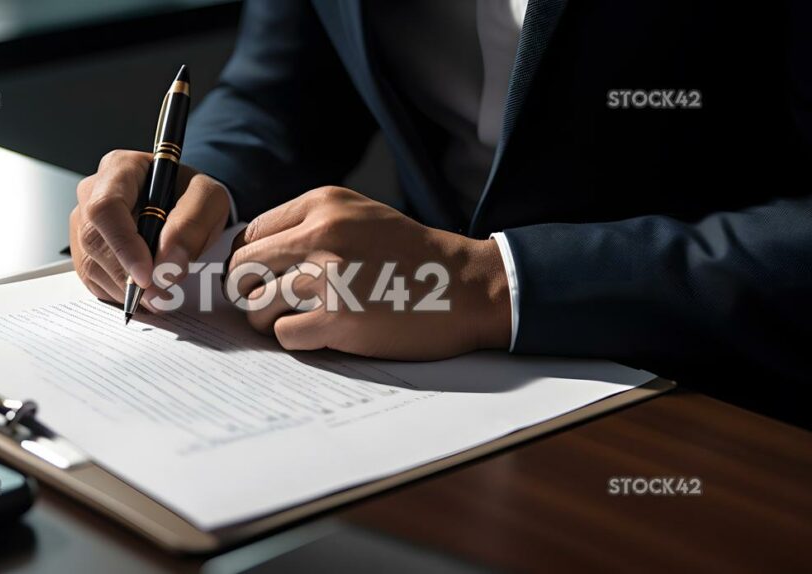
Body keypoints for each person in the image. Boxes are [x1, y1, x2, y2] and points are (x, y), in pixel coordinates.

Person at [69, 0, 811, 424]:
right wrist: (199, 186)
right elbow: (280, 91)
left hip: (732, 407)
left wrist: (490, 281)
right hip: (421, 399)